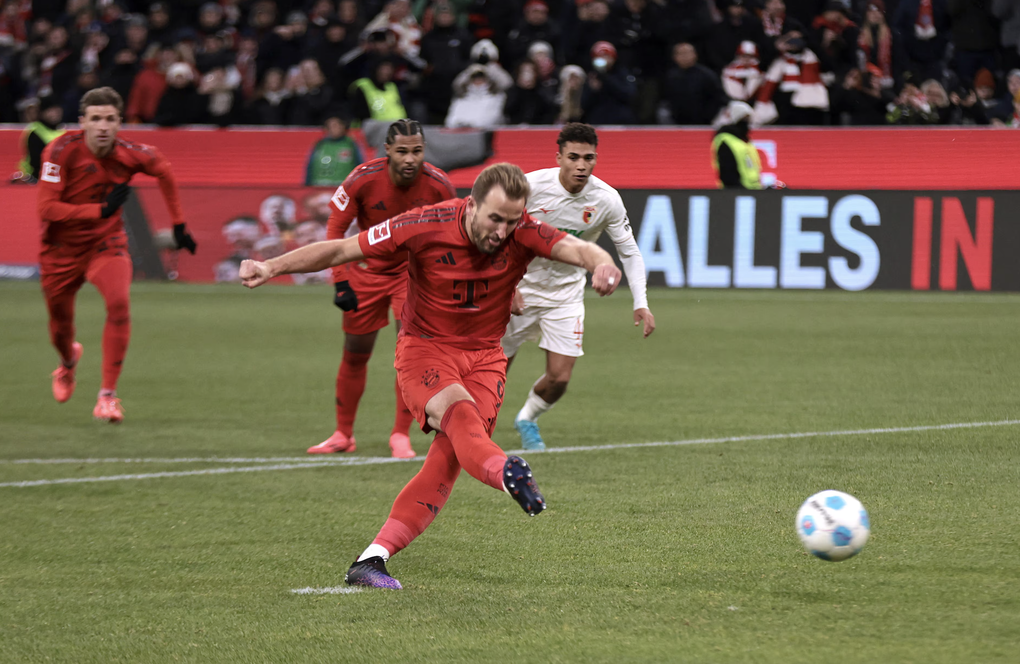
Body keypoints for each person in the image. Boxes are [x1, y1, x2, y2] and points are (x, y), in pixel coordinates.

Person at [238, 163, 623, 589]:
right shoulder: (422, 224)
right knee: (460, 418)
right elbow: (341, 250)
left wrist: (602, 265)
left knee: (449, 460)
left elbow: (581, 249)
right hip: (426, 350)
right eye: (495, 218)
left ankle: (371, 560)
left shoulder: (524, 230)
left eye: (513, 220)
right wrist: (271, 267)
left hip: (486, 358)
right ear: (472, 204)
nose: (502, 231)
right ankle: (508, 471)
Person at [38, 86, 197, 423]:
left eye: (110, 119)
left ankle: (107, 396)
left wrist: (180, 224)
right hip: (60, 250)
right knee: (60, 327)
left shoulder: (130, 153)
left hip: (105, 245)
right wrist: (99, 210)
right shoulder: (59, 150)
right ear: (82, 122)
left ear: (119, 122)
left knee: (119, 303)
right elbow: (47, 208)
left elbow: (164, 169)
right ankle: (67, 364)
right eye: (95, 119)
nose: (103, 126)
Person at [309, 119, 456, 459]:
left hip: (412, 276)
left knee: (410, 354)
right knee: (355, 351)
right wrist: (340, 280)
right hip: (366, 272)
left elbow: (451, 233)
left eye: (417, 151)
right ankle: (343, 434)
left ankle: (400, 435)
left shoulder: (438, 185)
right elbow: (336, 228)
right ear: (387, 150)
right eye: (402, 151)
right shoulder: (362, 178)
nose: (410, 159)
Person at [502, 123, 654, 451]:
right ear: (558, 157)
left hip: (565, 296)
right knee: (494, 373)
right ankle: (472, 433)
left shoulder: (607, 200)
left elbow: (629, 251)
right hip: (518, 292)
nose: (581, 165)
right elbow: (497, 234)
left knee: (560, 379)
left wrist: (640, 301)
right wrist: (505, 285)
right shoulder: (529, 187)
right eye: (573, 157)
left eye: (589, 158)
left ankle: (527, 418)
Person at [11, 96, 64, 184]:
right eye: (51, 111)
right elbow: (36, 161)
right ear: (42, 112)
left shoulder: (61, 131)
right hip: (34, 178)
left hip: (55, 176)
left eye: (57, 110)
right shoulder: (35, 132)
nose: (55, 113)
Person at [712, 100, 763, 189]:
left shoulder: (745, 141)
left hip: (753, 193)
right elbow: (727, 174)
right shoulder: (726, 141)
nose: (748, 122)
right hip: (737, 194)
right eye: (744, 118)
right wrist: (738, 192)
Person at [305, 115, 363, 187]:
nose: (334, 129)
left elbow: (359, 166)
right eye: (331, 126)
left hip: (343, 189)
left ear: (343, 127)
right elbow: (310, 167)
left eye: (336, 125)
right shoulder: (320, 145)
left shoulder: (351, 144)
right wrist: (306, 186)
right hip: (320, 189)